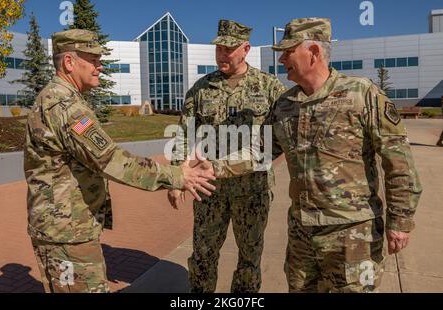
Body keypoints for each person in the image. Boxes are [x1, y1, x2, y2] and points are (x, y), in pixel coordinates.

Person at [213, 18, 422, 292]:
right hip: (303, 235)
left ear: (313, 52)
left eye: (288, 51)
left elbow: (399, 162)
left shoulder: (361, 94)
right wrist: (210, 167)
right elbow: (258, 152)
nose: (282, 58)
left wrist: (401, 221)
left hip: (352, 234)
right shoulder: (285, 105)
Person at [24, 29, 215, 293]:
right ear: (69, 62)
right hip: (65, 234)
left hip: (67, 230)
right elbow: (111, 160)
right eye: (92, 59)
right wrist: (177, 176)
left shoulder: (59, 100)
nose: (99, 66)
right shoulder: (65, 106)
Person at [168, 19, 286, 292]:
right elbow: (185, 132)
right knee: (203, 256)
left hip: (253, 190)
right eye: (219, 48)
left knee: (249, 259)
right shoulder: (202, 88)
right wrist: (176, 177)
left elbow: (281, 137)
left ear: (245, 49)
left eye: (229, 49)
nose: (222, 54)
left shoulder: (268, 87)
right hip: (210, 190)